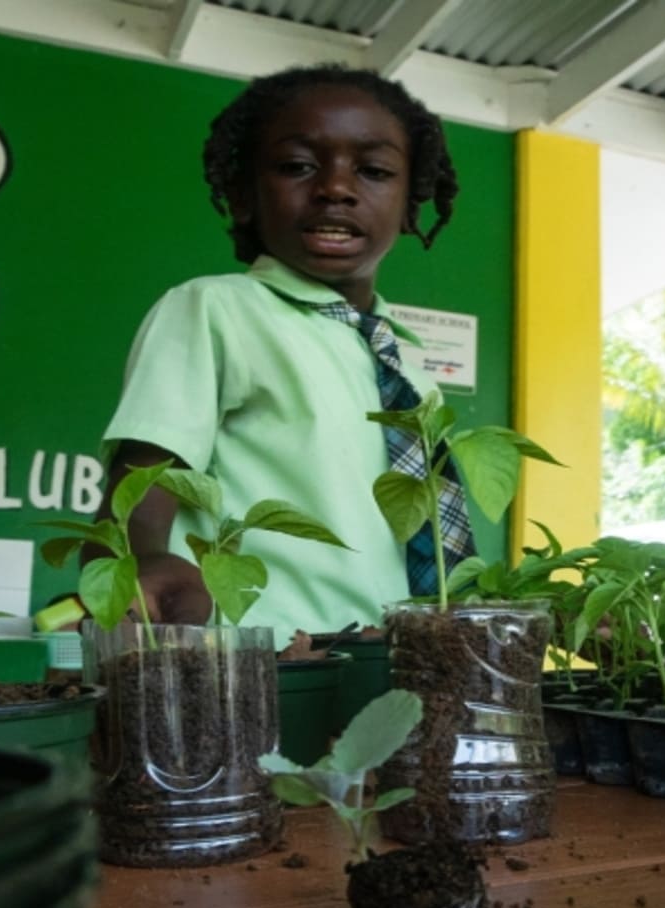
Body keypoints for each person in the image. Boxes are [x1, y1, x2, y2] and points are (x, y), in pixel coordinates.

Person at [92, 65, 465, 641]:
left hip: (387, 659)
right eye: (297, 166)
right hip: (266, 658)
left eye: (374, 171)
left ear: (410, 201)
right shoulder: (217, 308)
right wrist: (141, 559)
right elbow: (149, 467)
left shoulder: (408, 371)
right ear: (244, 195)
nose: (336, 188)